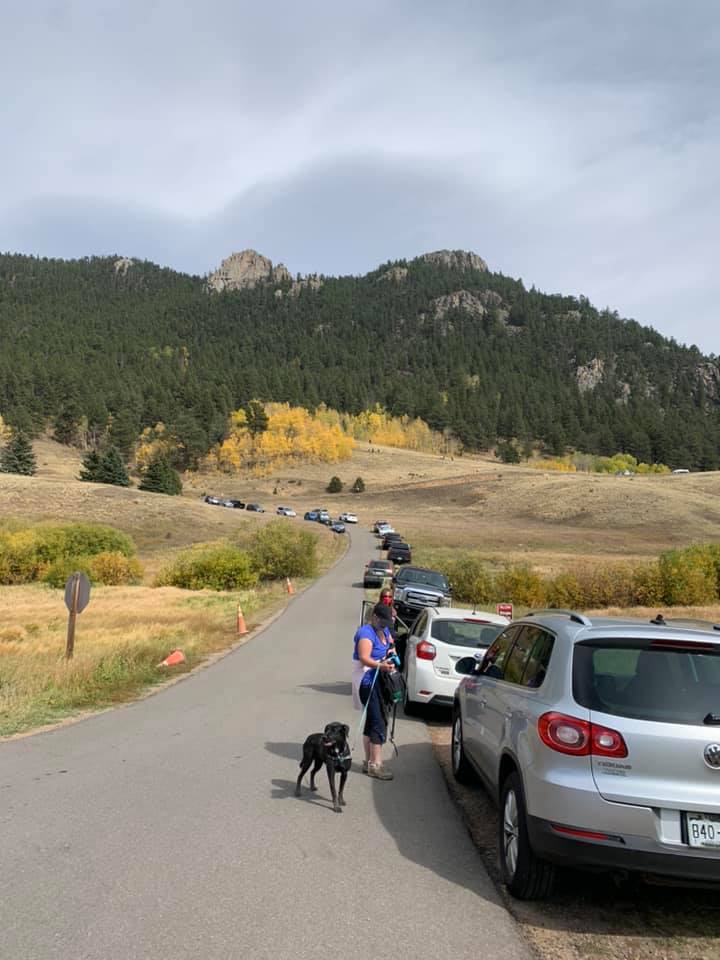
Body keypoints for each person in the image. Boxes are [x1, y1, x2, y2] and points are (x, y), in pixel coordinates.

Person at [351, 602, 397, 780]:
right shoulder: (365, 633)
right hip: (367, 682)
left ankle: (369, 762)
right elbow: (364, 658)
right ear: (374, 617)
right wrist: (381, 665)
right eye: (383, 621)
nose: (385, 625)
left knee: (371, 721)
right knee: (378, 722)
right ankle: (376, 765)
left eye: (387, 623)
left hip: (380, 680)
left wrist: (392, 653)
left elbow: (391, 645)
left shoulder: (384, 630)